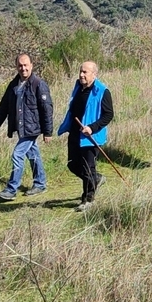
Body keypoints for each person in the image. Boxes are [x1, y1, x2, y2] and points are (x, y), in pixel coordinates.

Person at [0, 53, 54, 201]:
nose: (23, 68)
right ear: (16, 66)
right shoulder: (13, 85)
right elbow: (4, 106)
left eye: (25, 65)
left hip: (32, 128)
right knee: (33, 154)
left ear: (31, 65)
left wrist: (48, 131)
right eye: (20, 65)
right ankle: (40, 183)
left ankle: (11, 189)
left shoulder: (39, 84)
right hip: (21, 128)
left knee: (17, 155)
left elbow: (47, 108)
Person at [56, 61, 113, 212]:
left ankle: (87, 200)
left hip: (90, 137)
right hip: (74, 133)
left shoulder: (102, 91)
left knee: (88, 168)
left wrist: (92, 128)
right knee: (72, 165)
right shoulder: (78, 87)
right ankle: (97, 179)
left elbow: (108, 115)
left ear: (94, 74)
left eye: (85, 72)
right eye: (80, 71)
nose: (81, 75)